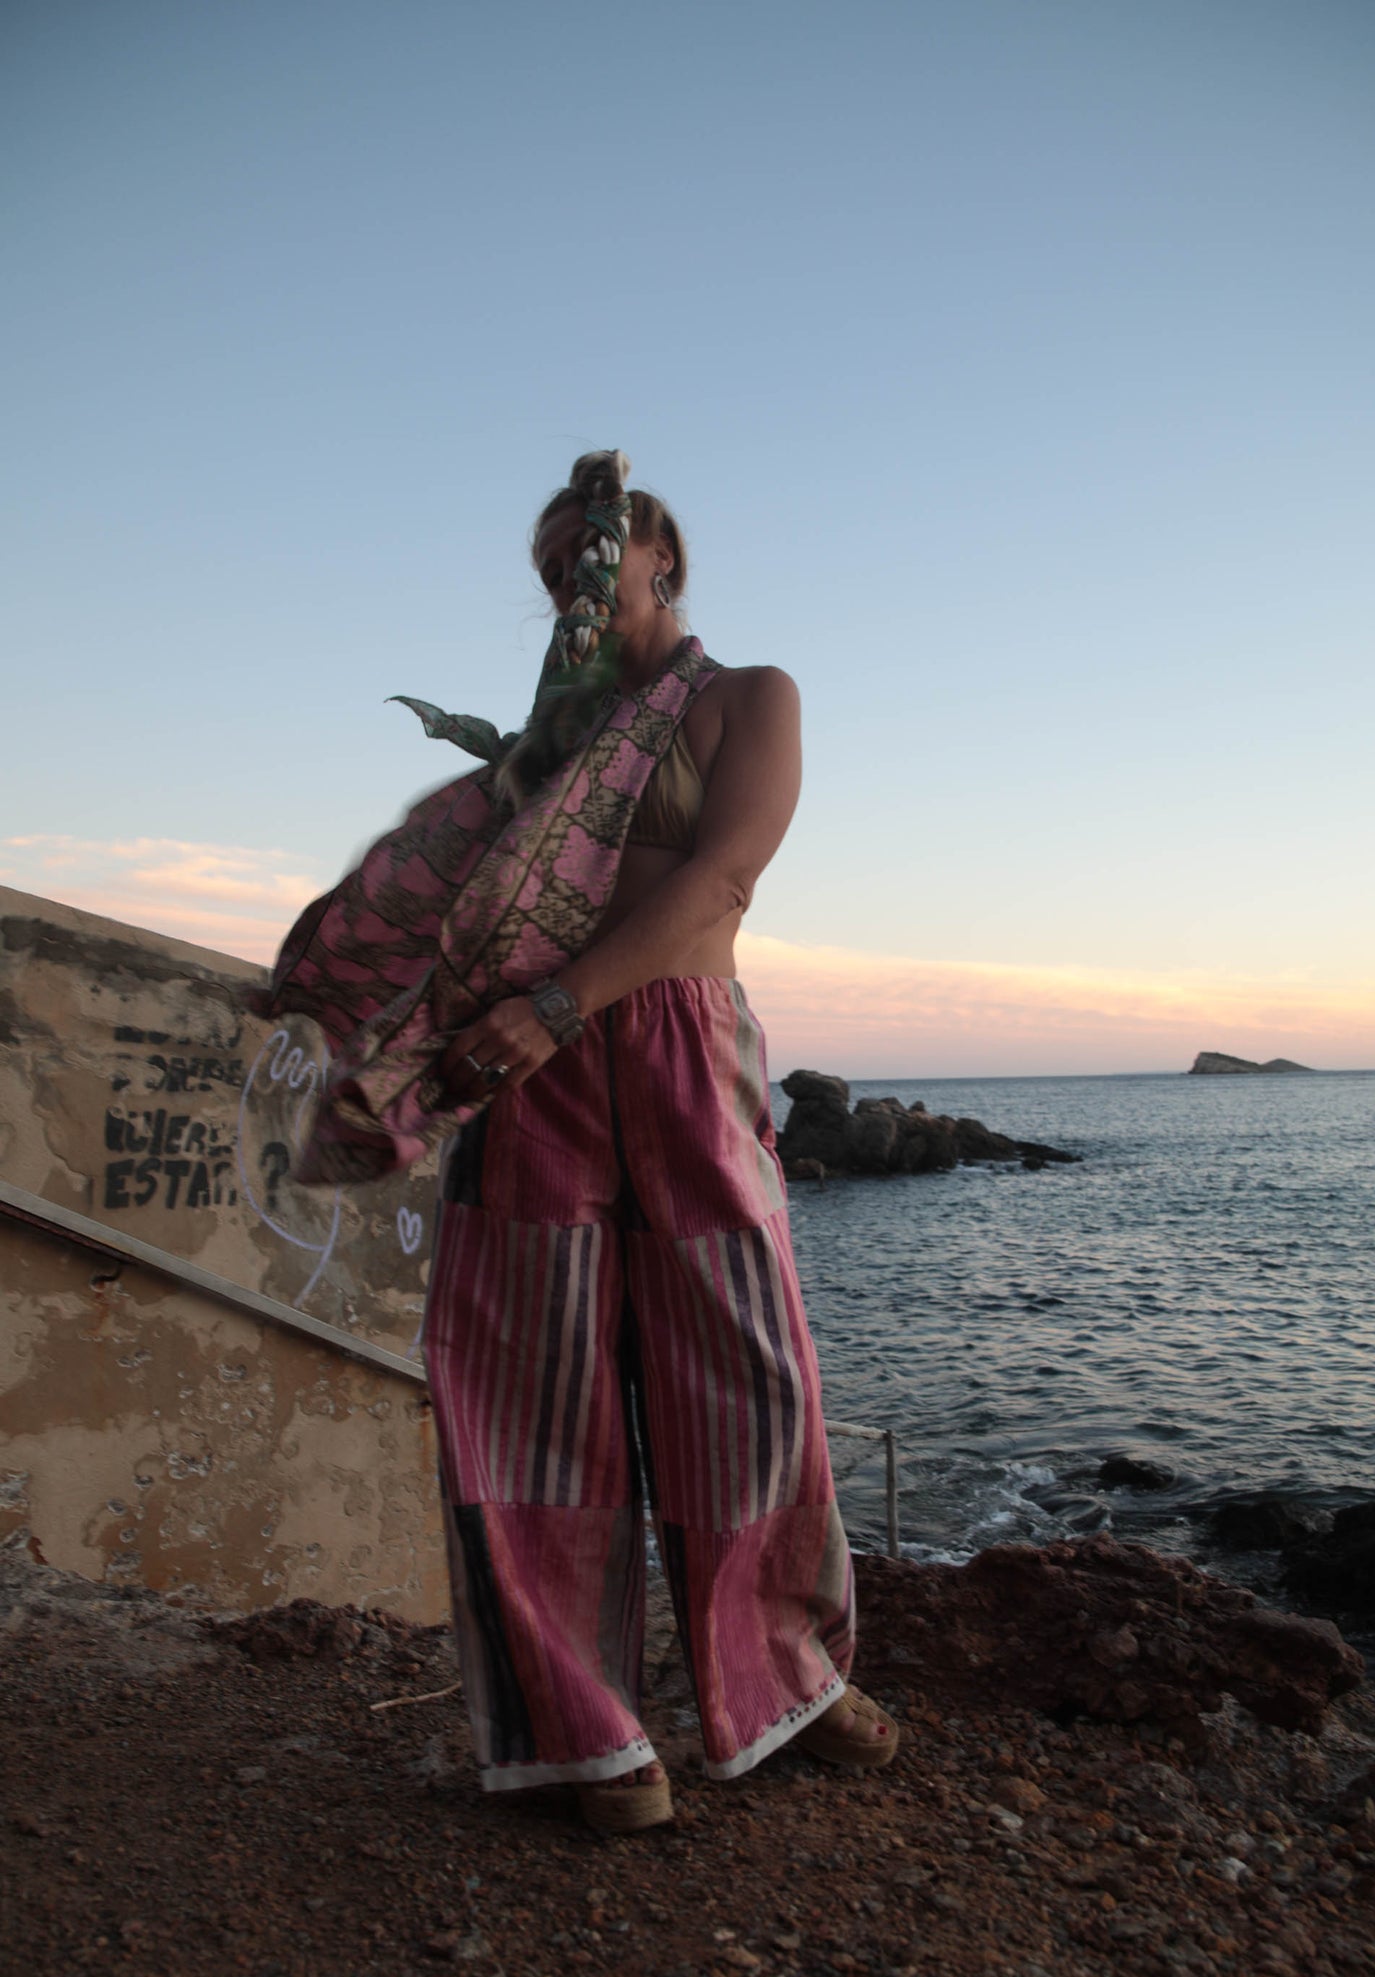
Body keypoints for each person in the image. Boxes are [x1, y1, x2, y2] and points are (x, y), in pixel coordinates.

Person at [254, 452, 897, 1833]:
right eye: (554, 564)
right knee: (527, 1390)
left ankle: (784, 1680)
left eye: (594, 551)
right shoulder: (547, 749)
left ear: (661, 560)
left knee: (746, 1369)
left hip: (671, 1043)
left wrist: (558, 1004)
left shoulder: (744, 700)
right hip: (519, 1071)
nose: (573, 579)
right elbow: (450, 898)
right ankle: (586, 1740)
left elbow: (723, 877)